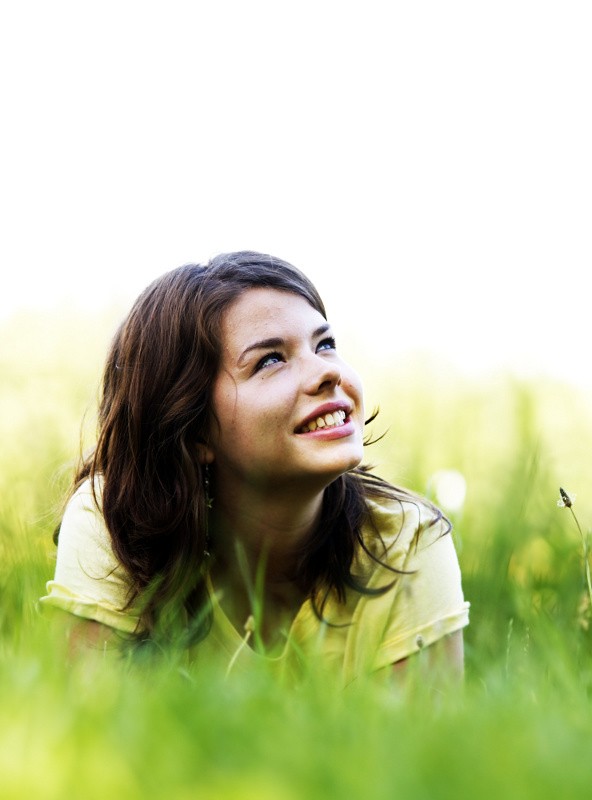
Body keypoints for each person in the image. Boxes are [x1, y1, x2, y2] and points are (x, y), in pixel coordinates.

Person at [41, 251, 469, 688]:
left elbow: (425, 751)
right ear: (193, 431)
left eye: (325, 345)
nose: (326, 373)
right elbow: (86, 727)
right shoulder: (114, 520)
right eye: (270, 360)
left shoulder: (407, 544)